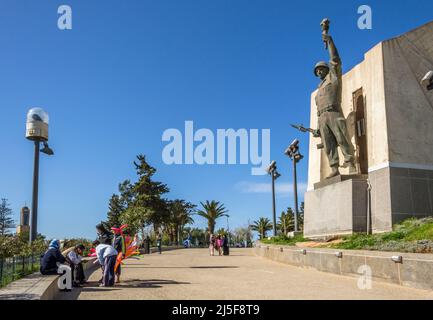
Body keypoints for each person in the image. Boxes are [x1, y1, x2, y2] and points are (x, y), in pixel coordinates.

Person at [312, 22, 356, 178]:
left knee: (342, 138)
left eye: (321, 69)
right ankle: (334, 167)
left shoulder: (334, 77)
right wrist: (317, 126)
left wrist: (327, 38)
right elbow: (318, 111)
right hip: (322, 117)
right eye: (317, 70)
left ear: (327, 69)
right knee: (329, 145)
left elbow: (335, 59)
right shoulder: (318, 91)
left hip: (334, 112)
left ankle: (350, 163)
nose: (319, 71)